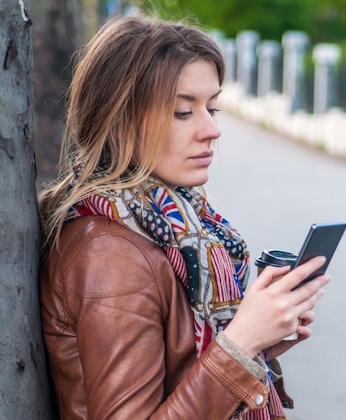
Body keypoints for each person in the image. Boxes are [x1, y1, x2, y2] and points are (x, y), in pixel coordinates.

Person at [38, 15, 330, 420]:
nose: (212, 129)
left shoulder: (172, 221)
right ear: (121, 119)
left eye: (212, 108)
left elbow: (175, 367)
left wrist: (259, 343)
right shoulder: (111, 251)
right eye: (183, 112)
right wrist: (240, 344)